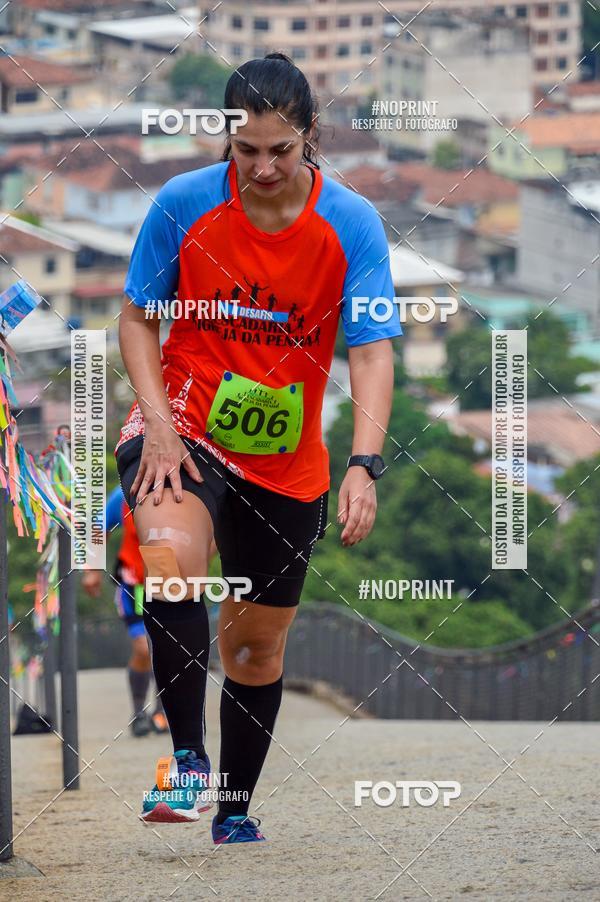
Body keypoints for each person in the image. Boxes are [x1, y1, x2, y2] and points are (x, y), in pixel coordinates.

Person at [114, 52, 401, 844]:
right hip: (184, 425)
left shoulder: (350, 223)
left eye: (282, 149)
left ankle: (234, 806)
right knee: (168, 561)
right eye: (247, 152)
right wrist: (160, 422)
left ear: (310, 136)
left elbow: (372, 349)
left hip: (286, 459)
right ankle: (186, 764)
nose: (264, 167)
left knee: (253, 648)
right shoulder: (182, 204)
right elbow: (137, 317)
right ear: (226, 142)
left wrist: (363, 465)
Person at [81, 485, 169, 736]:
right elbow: (98, 529)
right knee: (143, 648)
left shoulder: (180, 487)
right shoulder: (123, 495)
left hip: (170, 581)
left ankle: (162, 712)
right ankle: (138, 712)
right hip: (133, 582)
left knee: (165, 649)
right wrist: (92, 571)